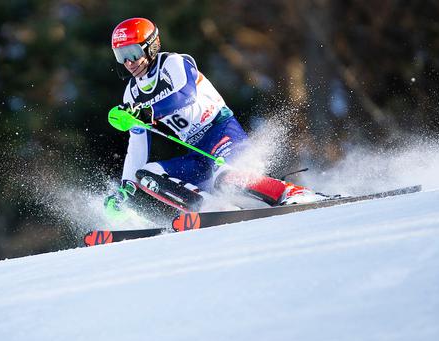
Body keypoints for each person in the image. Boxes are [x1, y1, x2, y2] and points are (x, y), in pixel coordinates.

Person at [105, 17, 323, 219]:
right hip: (196, 152)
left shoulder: (173, 64)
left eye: (132, 52)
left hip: (221, 132)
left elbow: (185, 95)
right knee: (146, 175)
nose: (129, 62)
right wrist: (127, 185)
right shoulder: (132, 93)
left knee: (225, 179)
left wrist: (148, 112)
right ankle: (213, 209)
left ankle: (291, 191)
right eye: (121, 56)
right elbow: (138, 142)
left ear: (150, 46)